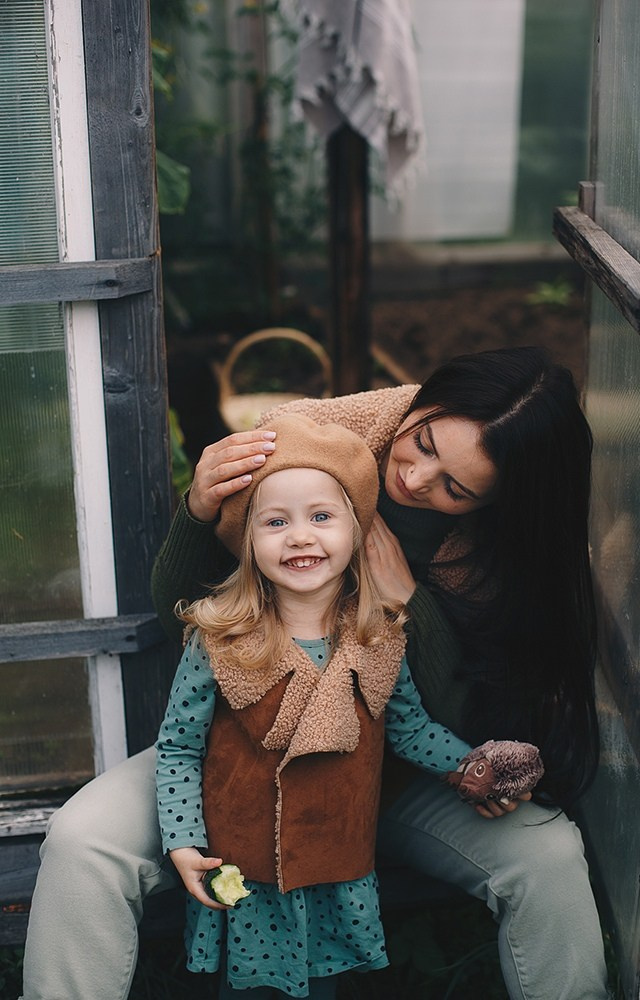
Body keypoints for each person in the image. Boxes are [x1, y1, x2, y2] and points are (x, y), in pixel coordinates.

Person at [20, 347, 609, 1000]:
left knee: (545, 857)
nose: (415, 479)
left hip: (402, 771)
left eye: (454, 488)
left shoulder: (503, 556)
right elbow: (186, 620)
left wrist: (406, 600)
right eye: (422, 442)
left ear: (497, 503)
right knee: (84, 843)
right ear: (417, 404)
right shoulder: (307, 448)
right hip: (243, 756)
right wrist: (197, 513)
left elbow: (448, 717)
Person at [156, 414, 473, 998]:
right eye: (276, 522)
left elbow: (409, 729)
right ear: (248, 540)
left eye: (321, 517)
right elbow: (179, 746)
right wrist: (183, 841)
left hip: (335, 862)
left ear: (357, 531)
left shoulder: (380, 637)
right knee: (249, 989)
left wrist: (473, 766)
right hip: (247, 866)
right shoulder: (220, 637)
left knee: (324, 987)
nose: (300, 536)